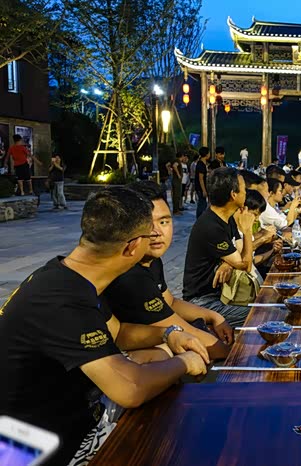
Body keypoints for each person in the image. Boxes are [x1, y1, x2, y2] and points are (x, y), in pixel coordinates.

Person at [0, 187, 209, 466]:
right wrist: (185, 362)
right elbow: (130, 389)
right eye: (150, 234)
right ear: (133, 247)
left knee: (159, 362)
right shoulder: (63, 300)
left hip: (68, 414)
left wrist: (169, 334)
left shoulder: (67, 275)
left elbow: (117, 332)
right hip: (43, 448)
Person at [103, 181, 233, 360]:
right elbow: (175, 325)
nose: (157, 232)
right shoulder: (130, 274)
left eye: (164, 221)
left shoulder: (151, 260)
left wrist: (213, 316)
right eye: (147, 223)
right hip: (117, 358)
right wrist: (234, 355)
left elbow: (169, 302)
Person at [183, 167, 255, 327]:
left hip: (221, 295)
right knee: (259, 315)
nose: (246, 193)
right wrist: (247, 230)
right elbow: (246, 264)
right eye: (244, 189)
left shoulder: (227, 218)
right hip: (201, 302)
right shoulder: (211, 226)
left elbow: (240, 254)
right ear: (233, 194)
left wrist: (227, 263)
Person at [194, 147, 211, 218]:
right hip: (200, 188)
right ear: (206, 154)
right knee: (202, 204)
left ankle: (200, 219)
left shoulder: (203, 164)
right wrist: (204, 190)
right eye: (209, 153)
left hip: (201, 187)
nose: (210, 154)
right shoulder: (201, 164)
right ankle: (199, 219)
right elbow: (200, 179)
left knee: (203, 204)